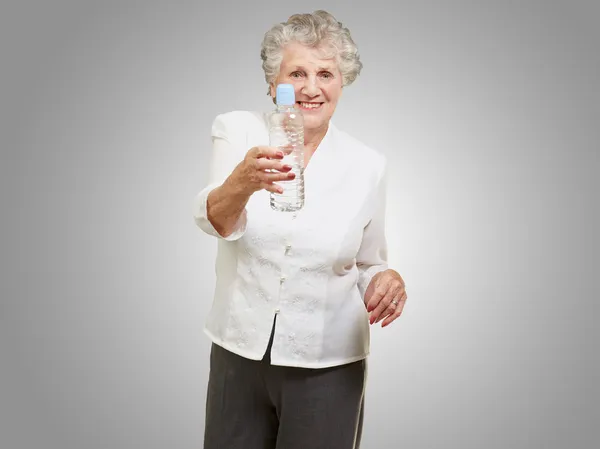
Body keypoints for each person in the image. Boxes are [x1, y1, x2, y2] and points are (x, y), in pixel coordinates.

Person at [193, 10, 407, 449]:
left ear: (341, 83)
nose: (311, 88)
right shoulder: (238, 130)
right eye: (297, 73)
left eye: (325, 73)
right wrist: (242, 182)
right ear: (274, 84)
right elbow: (216, 220)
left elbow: (368, 263)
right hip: (240, 351)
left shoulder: (367, 164)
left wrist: (387, 279)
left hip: (329, 363)